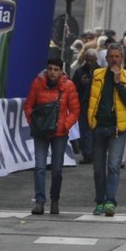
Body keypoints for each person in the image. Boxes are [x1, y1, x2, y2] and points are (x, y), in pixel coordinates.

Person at [24, 56, 81, 215]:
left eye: (56, 70)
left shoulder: (68, 86)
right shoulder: (37, 84)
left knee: (57, 170)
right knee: (40, 168)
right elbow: (28, 106)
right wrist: (33, 122)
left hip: (59, 133)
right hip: (41, 132)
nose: (52, 72)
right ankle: (40, 202)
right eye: (50, 69)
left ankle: (54, 199)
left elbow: (75, 110)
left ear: (61, 71)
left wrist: (65, 124)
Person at [86, 47, 126, 216]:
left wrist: (118, 84)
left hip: (117, 128)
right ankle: (99, 200)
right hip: (99, 125)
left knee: (113, 166)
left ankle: (110, 201)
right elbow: (91, 97)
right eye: (111, 57)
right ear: (106, 59)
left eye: (117, 57)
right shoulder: (98, 74)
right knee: (98, 168)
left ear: (122, 59)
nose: (114, 60)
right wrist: (91, 121)